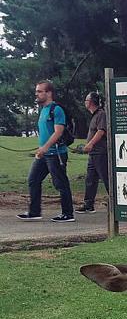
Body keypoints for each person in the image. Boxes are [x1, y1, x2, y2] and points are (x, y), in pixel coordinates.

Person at [17, 80, 75, 222]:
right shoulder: (43, 110)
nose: (36, 94)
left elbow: (58, 132)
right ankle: (34, 211)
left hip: (56, 153)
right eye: (36, 91)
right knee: (33, 179)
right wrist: (41, 149)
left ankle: (68, 214)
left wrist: (45, 147)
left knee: (60, 183)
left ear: (48, 93)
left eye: (39, 91)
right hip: (44, 154)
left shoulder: (56, 110)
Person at [76, 91, 109, 213]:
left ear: (90, 102)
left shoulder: (101, 114)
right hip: (93, 154)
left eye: (86, 100)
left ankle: (117, 202)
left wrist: (90, 144)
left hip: (101, 153)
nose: (85, 102)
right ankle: (88, 204)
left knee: (106, 178)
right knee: (90, 179)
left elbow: (101, 131)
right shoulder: (94, 116)